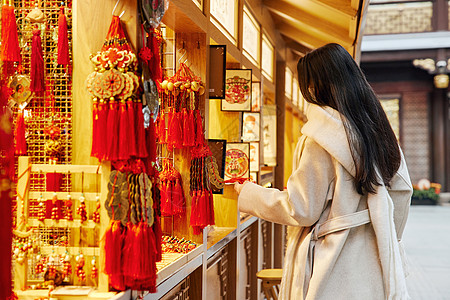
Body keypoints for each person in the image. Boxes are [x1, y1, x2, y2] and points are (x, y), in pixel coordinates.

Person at [234, 43, 413, 300]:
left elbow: (302, 208)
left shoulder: (321, 136)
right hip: (377, 261)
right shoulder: (378, 130)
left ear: (314, 86)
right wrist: (383, 235)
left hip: (333, 263)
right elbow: (403, 191)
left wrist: (249, 193)